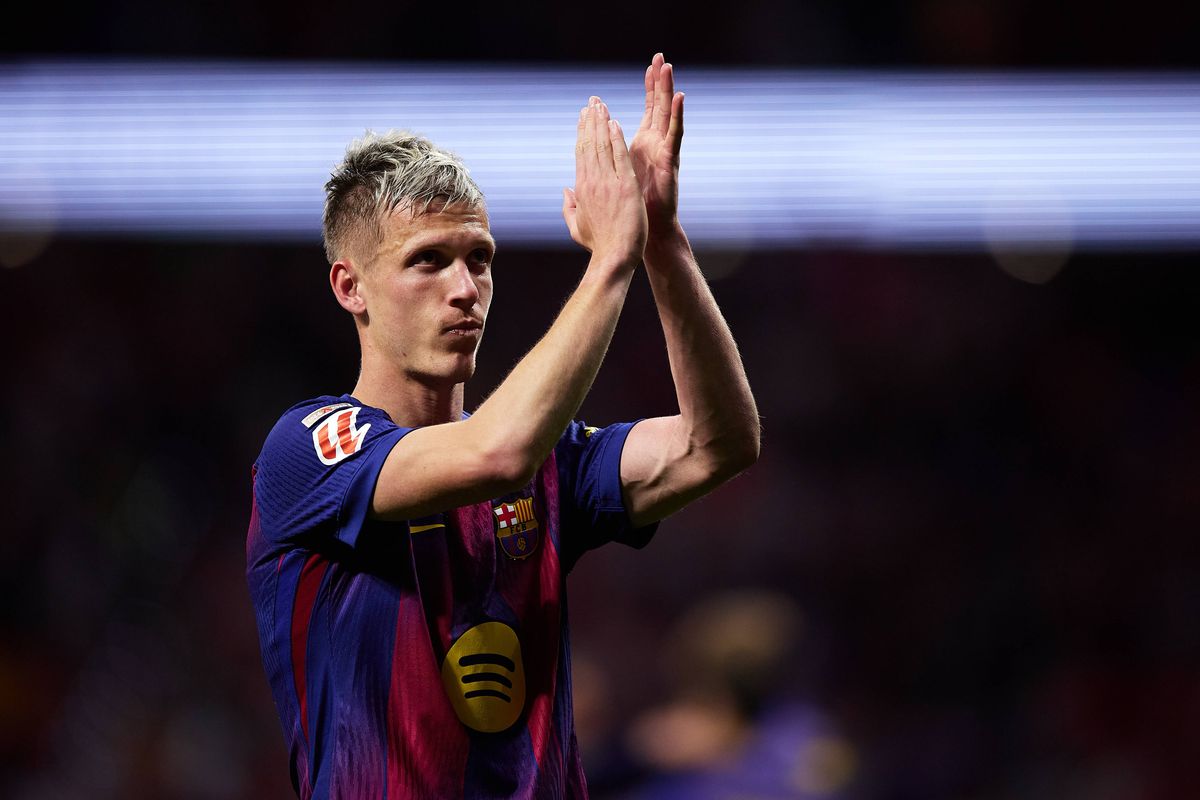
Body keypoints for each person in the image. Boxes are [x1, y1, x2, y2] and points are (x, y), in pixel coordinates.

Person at [245, 54, 759, 799]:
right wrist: (609, 260)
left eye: (478, 259)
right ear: (349, 285)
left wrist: (660, 243)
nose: (464, 290)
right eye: (428, 262)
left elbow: (719, 444)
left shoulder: (554, 460)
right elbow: (497, 452)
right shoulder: (309, 448)